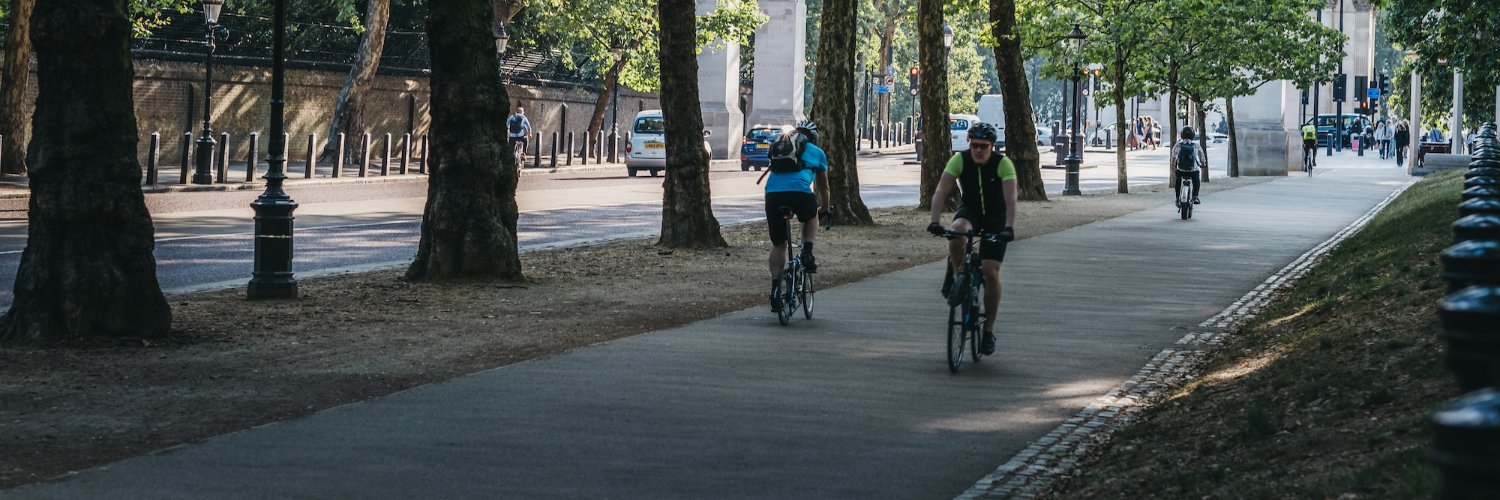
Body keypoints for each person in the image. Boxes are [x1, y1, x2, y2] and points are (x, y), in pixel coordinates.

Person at [926, 122, 1016, 356]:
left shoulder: (1003, 164)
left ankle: (988, 331)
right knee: (957, 232)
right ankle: (960, 278)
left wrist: (1008, 227)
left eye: (983, 146)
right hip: (971, 212)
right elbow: (940, 191)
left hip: (996, 218)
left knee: (990, 271)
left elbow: (1011, 201)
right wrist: (935, 221)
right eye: (974, 145)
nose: (977, 150)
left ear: (992, 146)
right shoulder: (960, 160)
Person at [764, 120, 831, 312]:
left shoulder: (781, 147)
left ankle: (776, 288)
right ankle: (807, 252)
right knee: (811, 217)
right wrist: (825, 208)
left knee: (779, 244)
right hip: (800, 193)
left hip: (773, 195)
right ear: (814, 137)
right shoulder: (817, 152)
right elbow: (823, 186)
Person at [1171, 126, 1205, 204]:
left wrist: (1173, 164)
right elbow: (1202, 156)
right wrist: (1203, 164)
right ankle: (1195, 196)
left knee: (1178, 182)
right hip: (1193, 171)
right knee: (1196, 181)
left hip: (1181, 170)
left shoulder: (1178, 145)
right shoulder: (1196, 145)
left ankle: (1177, 198)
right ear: (1192, 135)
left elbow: (1173, 156)